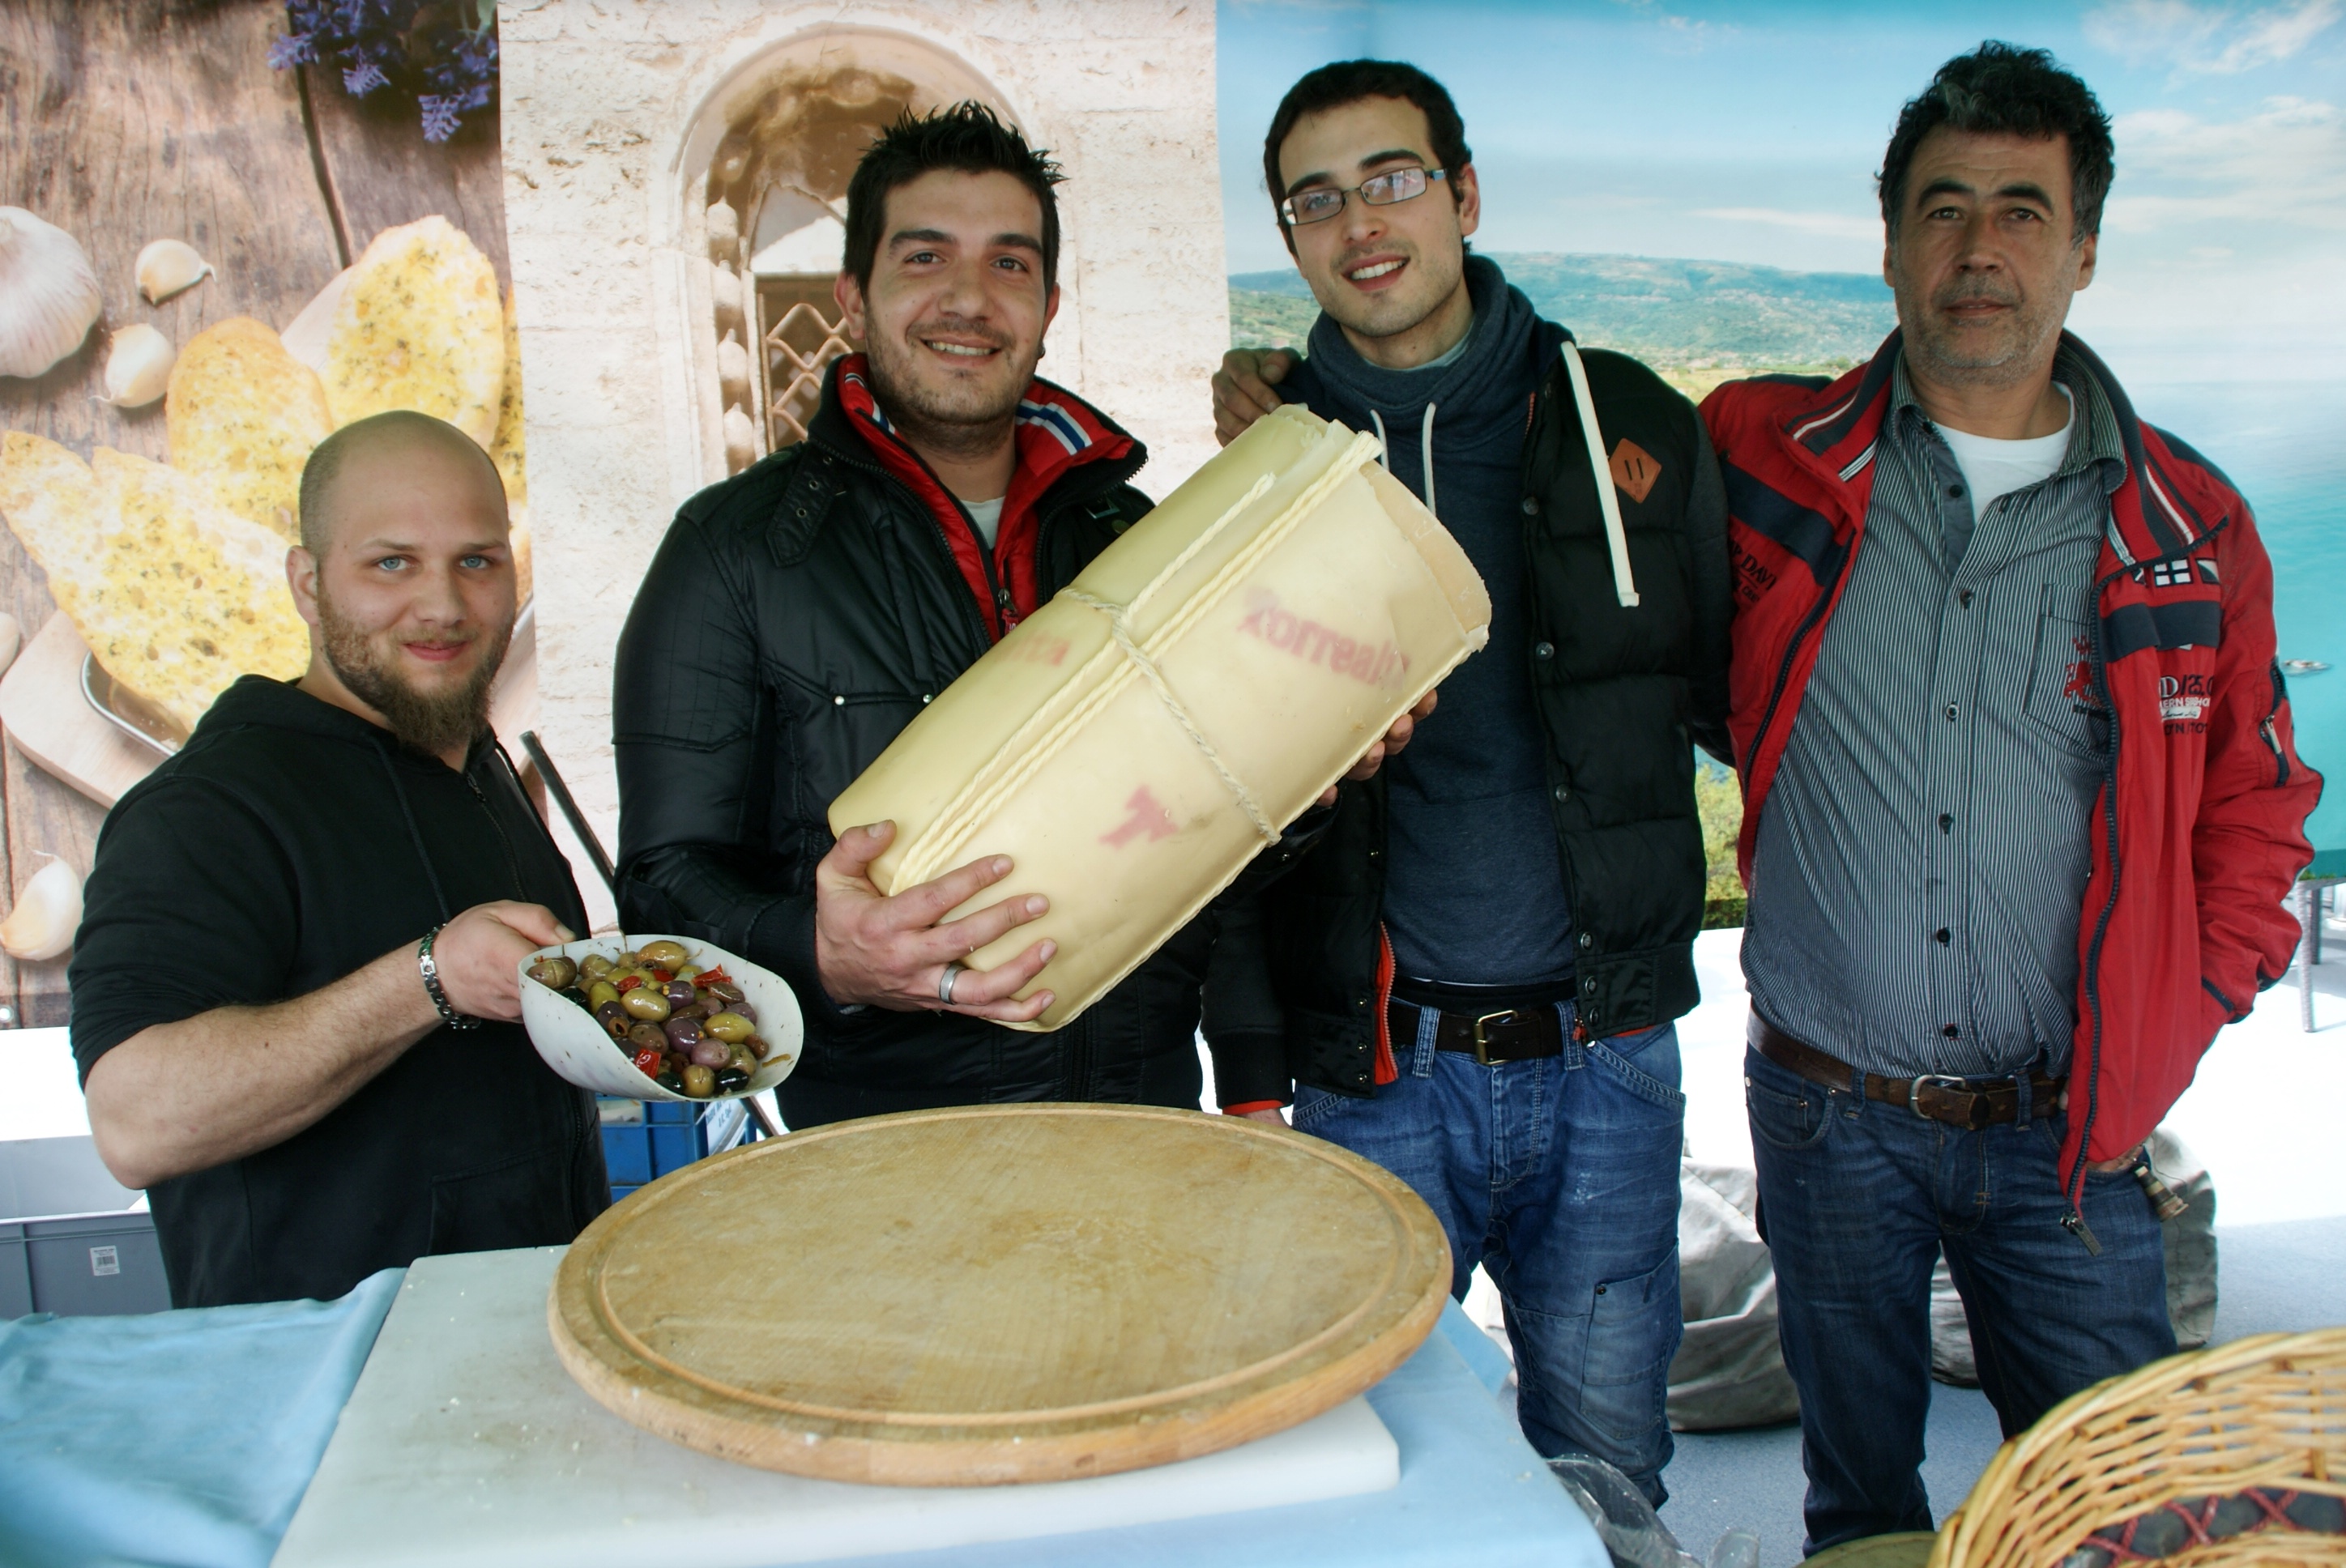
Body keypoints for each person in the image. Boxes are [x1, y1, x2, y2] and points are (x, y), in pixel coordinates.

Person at [1703, 43, 2322, 1552]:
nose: (1979, 248)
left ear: (2085, 249)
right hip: (1826, 1111)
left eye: (2023, 211)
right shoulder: (1763, 455)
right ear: (1890, 240)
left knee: (2128, 1512)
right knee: (1860, 1507)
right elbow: (1566, 489)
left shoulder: (2188, 526)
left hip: (2072, 1133)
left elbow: (2255, 811)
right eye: (1944, 207)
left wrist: (2173, 1028)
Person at [612, 104, 1408, 1129]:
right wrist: (818, 952)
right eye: (924, 257)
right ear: (853, 296)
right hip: (885, 1151)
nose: (968, 298)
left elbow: (1207, 845)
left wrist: (1307, 778)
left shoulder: (1139, 536)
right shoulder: (733, 550)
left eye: (1008, 263)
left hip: (1144, 1123)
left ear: (1048, 302)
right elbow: (662, 881)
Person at [1209, 61, 1732, 1505]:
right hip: (1372, 1074)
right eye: (1316, 199)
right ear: (1292, 236)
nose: (1359, 222)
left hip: (1606, 1052)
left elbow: (1727, 691)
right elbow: (1213, 803)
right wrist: (1248, 1076)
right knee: (1381, 1489)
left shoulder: (1628, 422)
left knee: (1611, 1479)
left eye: (1392, 179)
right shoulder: (1260, 471)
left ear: (1465, 195)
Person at [70, 411, 605, 1310]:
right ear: (307, 583)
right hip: (320, 1375)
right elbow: (135, 1121)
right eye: (391, 563)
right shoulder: (208, 807)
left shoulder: (475, 762)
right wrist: (430, 978)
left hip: (524, 1336)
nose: (443, 606)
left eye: (477, 561)